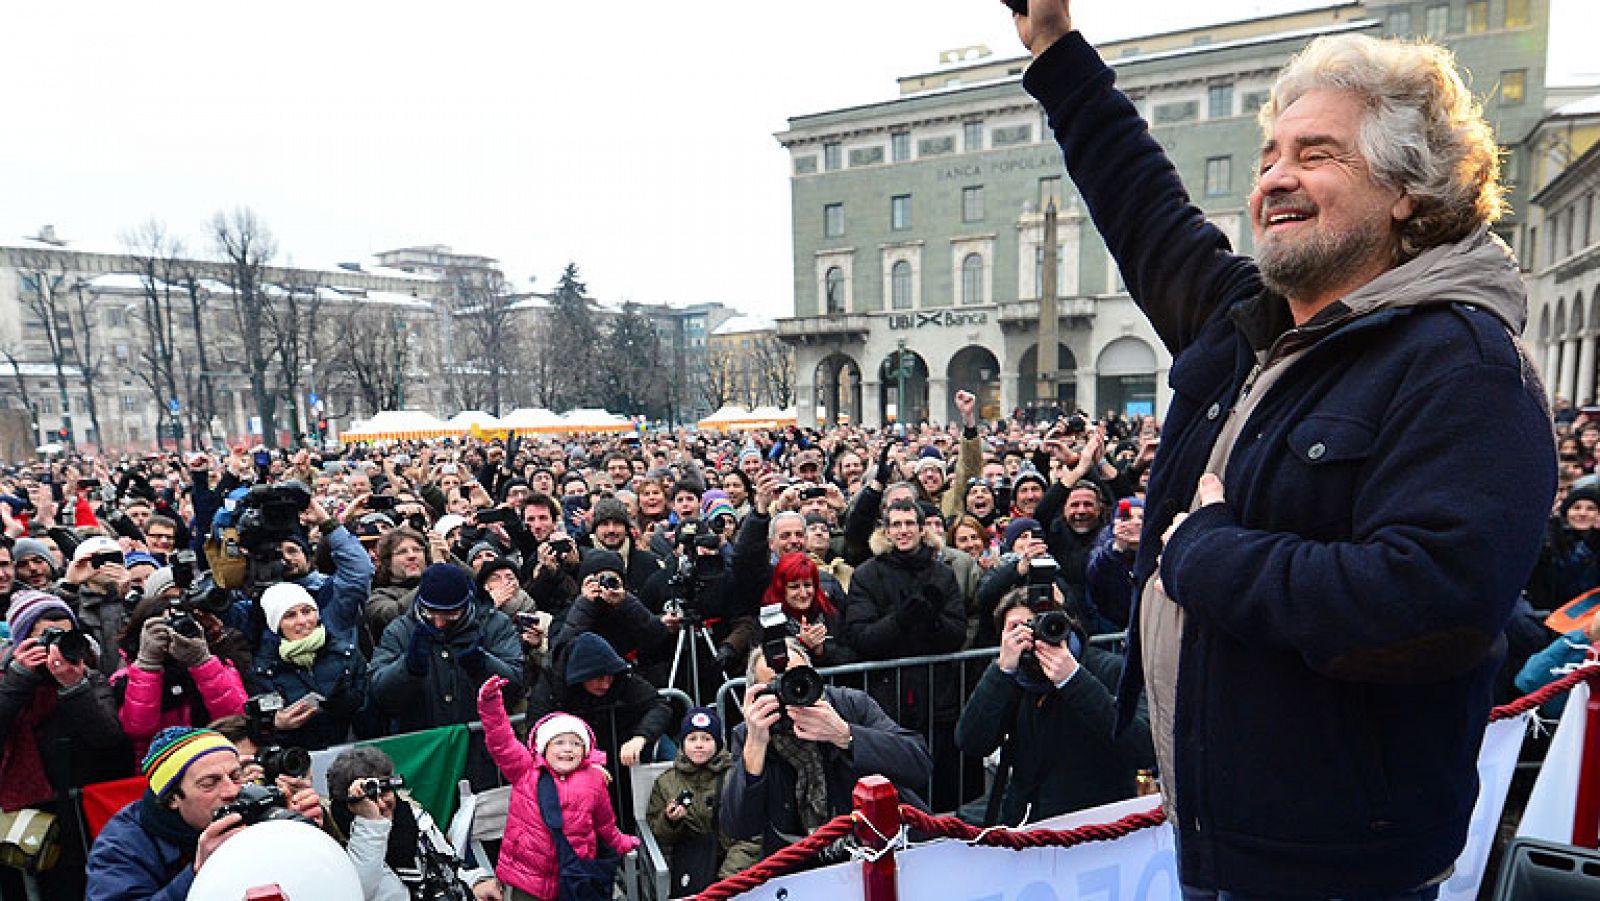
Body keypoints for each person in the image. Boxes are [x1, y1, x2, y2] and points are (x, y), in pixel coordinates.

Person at [1011, 2, 1554, 896]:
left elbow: (1429, 607)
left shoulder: (1464, 363)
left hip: (1339, 870)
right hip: (1218, 839)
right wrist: (1056, 45)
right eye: (1270, 157)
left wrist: (1206, 552)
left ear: (1409, 187)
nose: (1275, 179)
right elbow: (1139, 198)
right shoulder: (1245, 324)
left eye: (1316, 154)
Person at [954, 588, 1153, 825]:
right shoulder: (1013, 678)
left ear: (1060, 626)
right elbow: (972, 741)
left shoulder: (1109, 670)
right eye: (1016, 629)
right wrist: (1001, 671)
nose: (1030, 636)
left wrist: (1073, 680)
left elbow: (1144, 748)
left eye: (1038, 626)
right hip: (1028, 824)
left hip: (1097, 824)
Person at [721, 638, 931, 859]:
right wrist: (755, 746)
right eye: (777, 685)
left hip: (877, 846)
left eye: (797, 679)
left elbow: (919, 763)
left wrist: (847, 736)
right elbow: (737, 827)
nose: (791, 693)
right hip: (801, 863)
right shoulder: (750, 734)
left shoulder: (848, 705)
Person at [85, 726, 324, 900]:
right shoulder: (121, 844)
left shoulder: (257, 803)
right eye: (210, 783)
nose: (231, 791)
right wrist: (197, 873)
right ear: (172, 799)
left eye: (235, 776)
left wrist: (302, 836)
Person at [0, 590, 133, 900]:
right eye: (47, 636)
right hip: (24, 817)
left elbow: (108, 738)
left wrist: (75, 687)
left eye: (66, 635)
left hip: (80, 812)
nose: (56, 645)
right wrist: (19, 680)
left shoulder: (90, 677)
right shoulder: (9, 679)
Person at [476, 678, 640, 901]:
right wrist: (490, 702)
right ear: (543, 748)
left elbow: (605, 823)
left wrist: (623, 842)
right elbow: (501, 740)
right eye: (559, 742)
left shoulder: (594, 779)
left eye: (575, 743)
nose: (568, 749)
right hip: (526, 879)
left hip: (574, 878)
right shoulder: (525, 770)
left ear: (586, 750)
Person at [326, 745, 501, 901]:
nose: (381, 804)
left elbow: (449, 867)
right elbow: (359, 892)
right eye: (371, 797)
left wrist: (477, 881)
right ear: (349, 803)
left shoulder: (414, 817)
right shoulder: (338, 848)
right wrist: (370, 823)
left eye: (385, 791)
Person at [113, 593, 250, 759]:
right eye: (164, 627)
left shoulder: (219, 664)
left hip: (216, 756)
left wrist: (201, 661)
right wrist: (148, 663)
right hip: (159, 762)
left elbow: (236, 717)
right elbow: (138, 729)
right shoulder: (126, 678)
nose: (172, 633)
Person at [645, 707, 760, 897]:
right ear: (682, 744)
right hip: (691, 869)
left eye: (706, 739)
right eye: (692, 739)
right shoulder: (665, 782)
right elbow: (658, 836)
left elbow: (753, 836)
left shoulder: (736, 777)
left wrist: (726, 881)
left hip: (734, 870)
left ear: (718, 743)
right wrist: (671, 821)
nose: (699, 745)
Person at [247, 582, 367, 751]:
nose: (302, 621)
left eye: (306, 611)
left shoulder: (347, 654)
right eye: (290, 615)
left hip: (352, 751)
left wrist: (346, 703)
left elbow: (370, 706)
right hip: (300, 760)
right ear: (277, 625)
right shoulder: (264, 670)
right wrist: (278, 724)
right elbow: (258, 731)